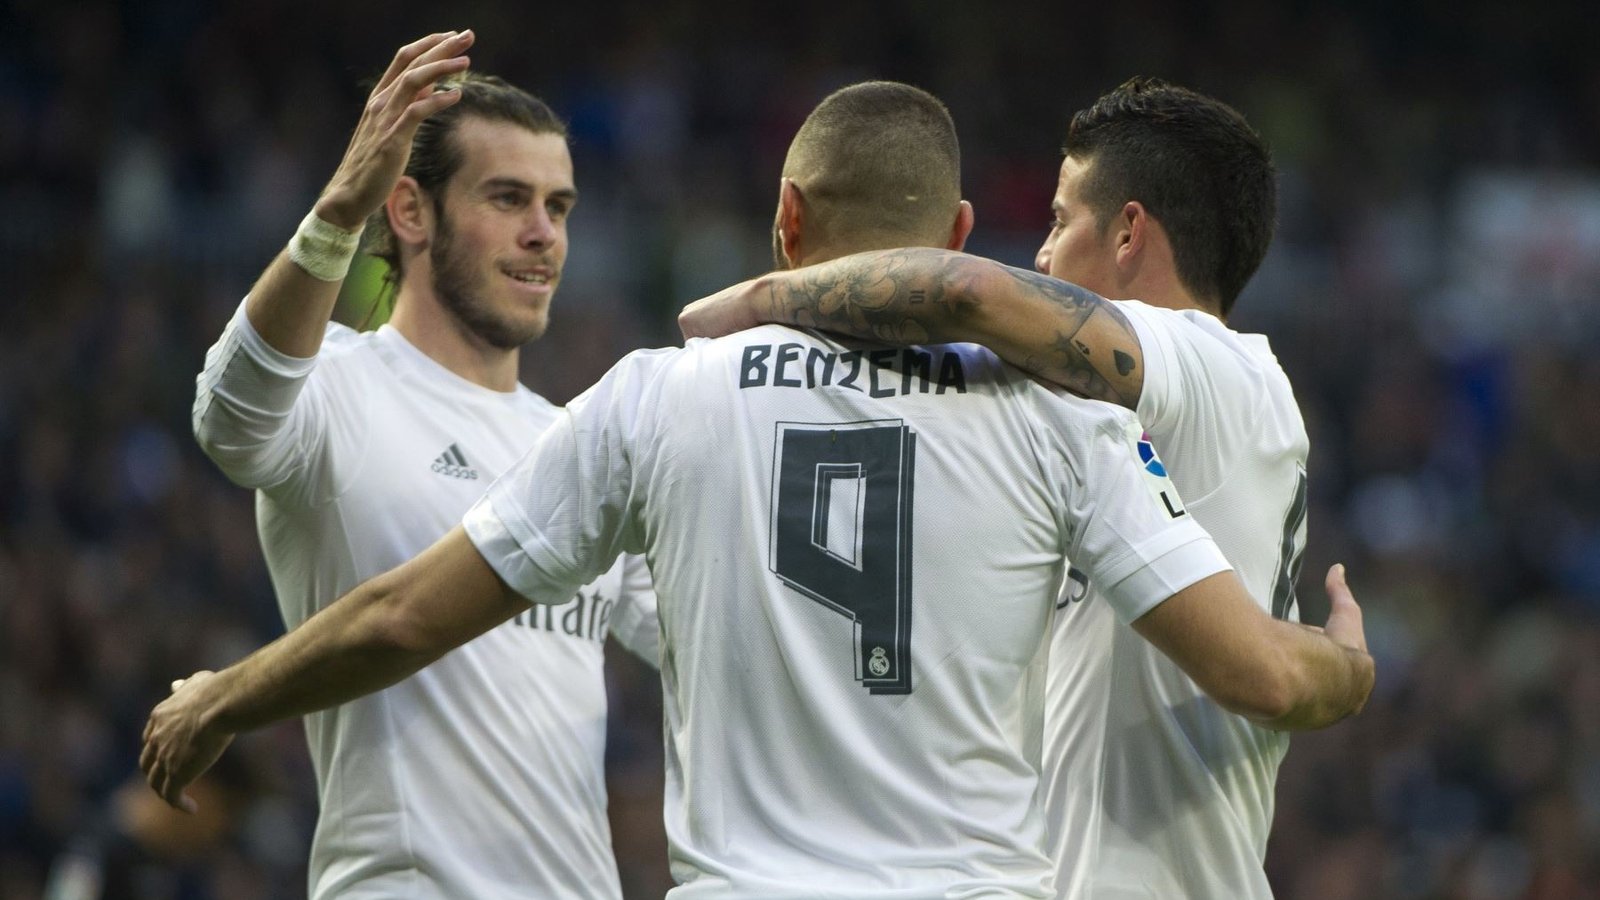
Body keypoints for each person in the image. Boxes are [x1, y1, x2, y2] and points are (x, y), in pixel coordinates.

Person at [146, 80, 1372, 899]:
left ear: (786, 217)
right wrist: (1347, 664)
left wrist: (225, 698)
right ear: (953, 229)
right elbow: (1256, 671)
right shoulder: (1063, 419)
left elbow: (402, 615)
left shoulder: (655, 398)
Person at [678, 77, 1315, 897]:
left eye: (1057, 220)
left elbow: (968, 294)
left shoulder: (1208, 364)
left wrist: (760, 299)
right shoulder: (1111, 421)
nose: (1043, 254)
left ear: (1128, 235)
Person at [187, 31, 658, 900]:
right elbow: (230, 423)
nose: (543, 235)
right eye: (509, 198)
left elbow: (693, 623)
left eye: (559, 207)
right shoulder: (340, 388)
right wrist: (336, 212)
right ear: (409, 210)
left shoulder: (575, 443)